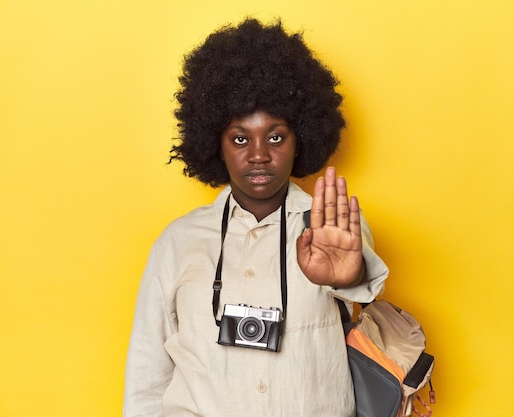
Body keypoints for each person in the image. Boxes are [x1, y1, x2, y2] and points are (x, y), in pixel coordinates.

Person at [124, 18, 389, 417]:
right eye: (240, 138)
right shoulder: (178, 241)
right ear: (216, 142)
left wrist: (348, 277)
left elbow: (363, 285)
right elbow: (147, 371)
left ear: (302, 138)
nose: (259, 154)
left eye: (276, 136)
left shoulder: (332, 227)